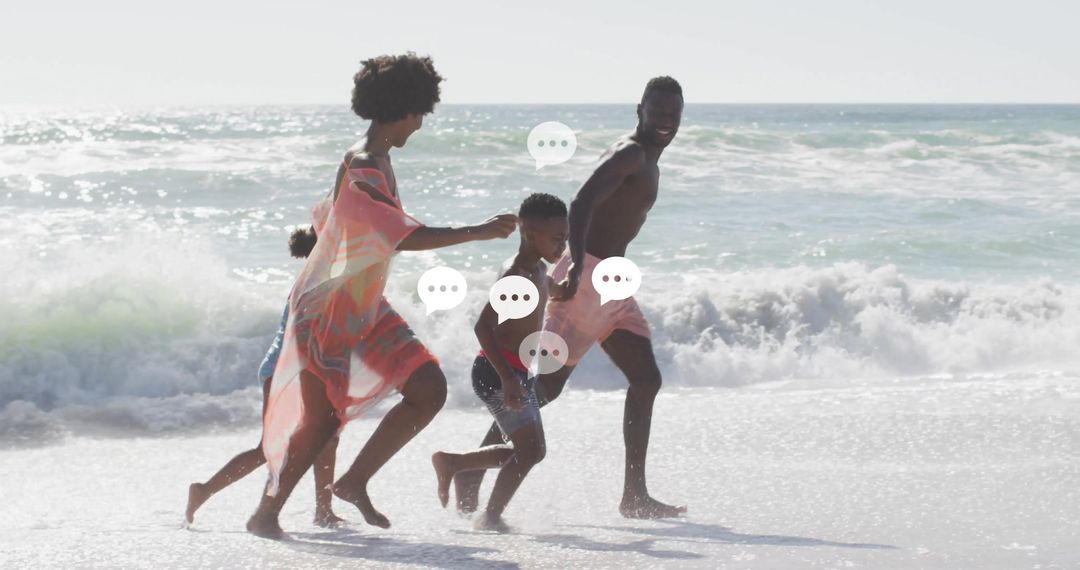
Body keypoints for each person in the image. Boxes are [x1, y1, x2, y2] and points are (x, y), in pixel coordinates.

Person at [246, 53, 517, 539]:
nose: (422, 123)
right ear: (406, 107)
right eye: (421, 113)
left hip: (364, 305)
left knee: (428, 388)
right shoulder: (366, 163)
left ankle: (353, 482)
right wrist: (478, 231)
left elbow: (336, 222)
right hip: (327, 308)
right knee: (322, 422)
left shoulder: (377, 161)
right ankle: (265, 516)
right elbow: (400, 236)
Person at [454, 77, 688, 519]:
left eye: (673, 114)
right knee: (541, 387)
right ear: (640, 109)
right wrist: (578, 264)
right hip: (589, 278)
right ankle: (474, 467)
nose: (665, 122)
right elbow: (580, 202)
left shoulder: (645, 157)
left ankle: (634, 496)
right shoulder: (632, 153)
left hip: (612, 284)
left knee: (645, 378)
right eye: (657, 112)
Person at [431, 193, 568, 533]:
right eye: (556, 239)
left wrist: (564, 290)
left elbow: (549, 287)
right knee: (530, 450)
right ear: (529, 232)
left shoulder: (537, 268)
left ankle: (459, 464)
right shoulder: (515, 275)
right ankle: (488, 513)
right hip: (497, 372)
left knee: (529, 450)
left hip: (516, 371)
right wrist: (508, 379)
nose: (562, 246)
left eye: (565, 238)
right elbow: (483, 327)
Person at [186, 231, 342, 527]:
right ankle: (204, 490)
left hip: (302, 367)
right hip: (284, 369)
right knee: (270, 449)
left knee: (327, 436)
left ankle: (324, 510)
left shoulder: (321, 278)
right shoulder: (314, 282)